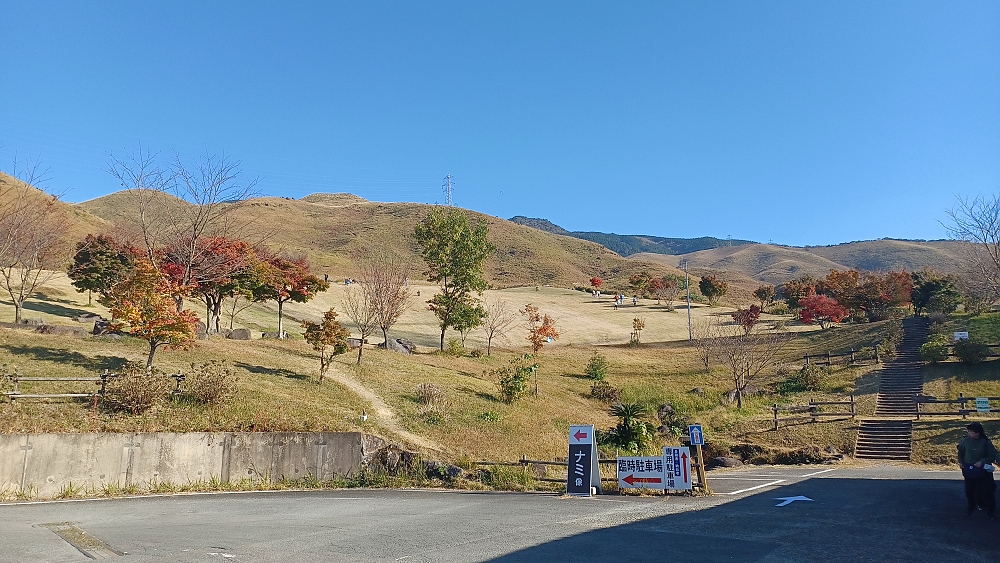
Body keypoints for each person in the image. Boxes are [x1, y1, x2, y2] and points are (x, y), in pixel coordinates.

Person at [958, 422, 998, 519]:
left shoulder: (985, 442)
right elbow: (961, 452)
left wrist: (982, 461)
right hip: (969, 469)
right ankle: (971, 506)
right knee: (969, 490)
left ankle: (990, 511)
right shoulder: (965, 441)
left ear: (978, 433)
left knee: (987, 491)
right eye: (968, 431)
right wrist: (961, 462)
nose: (969, 433)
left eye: (971, 432)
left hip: (983, 470)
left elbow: (992, 456)